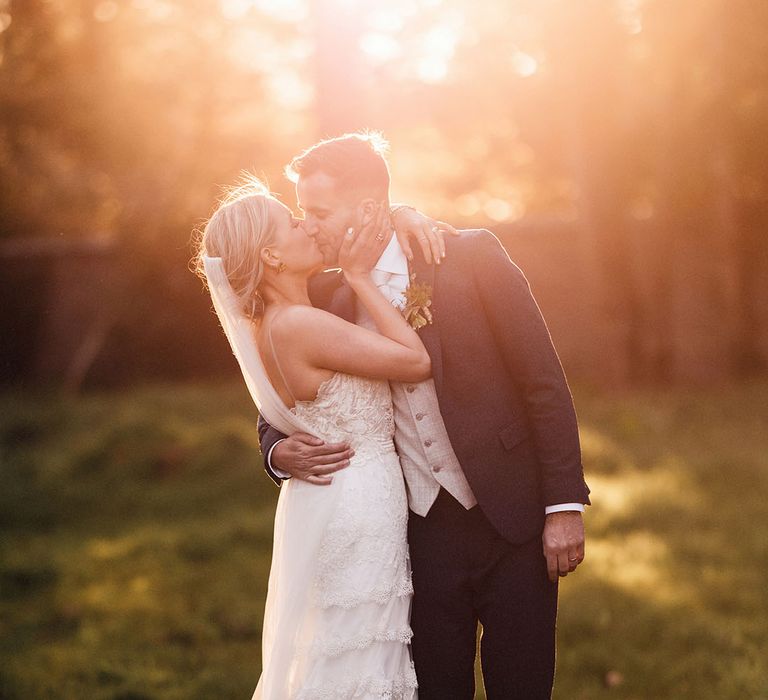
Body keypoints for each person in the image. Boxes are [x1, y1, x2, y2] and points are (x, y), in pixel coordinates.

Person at [258, 132, 592, 699]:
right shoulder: (333, 298)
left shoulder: (470, 256)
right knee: (437, 688)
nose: (308, 226)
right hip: (418, 531)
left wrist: (563, 506)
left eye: (318, 212)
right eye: (302, 215)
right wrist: (272, 446)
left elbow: (544, 384)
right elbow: (287, 380)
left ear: (367, 208)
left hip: (514, 517)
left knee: (524, 684)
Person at [193, 177, 448, 698]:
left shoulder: (275, 325)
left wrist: (395, 212)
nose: (306, 225)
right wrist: (358, 277)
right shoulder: (299, 326)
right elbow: (415, 362)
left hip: (335, 502)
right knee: (359, 658)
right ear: (271, 255)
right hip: (356, 507)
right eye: (291, 222)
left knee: (340, 652)